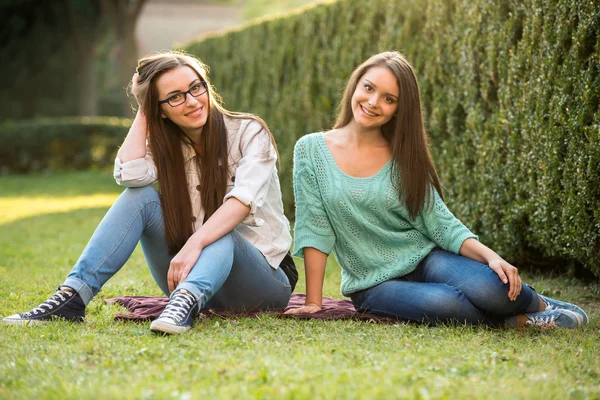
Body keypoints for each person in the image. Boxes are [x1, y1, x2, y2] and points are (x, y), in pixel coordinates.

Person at [286, 51, 588, 328]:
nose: (374, 102)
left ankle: (541, 304)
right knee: (445, 302)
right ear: (355, 86)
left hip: (426, 259)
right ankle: (520, 322)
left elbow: (440, 222)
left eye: (389, 99)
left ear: (398, 110)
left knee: (489, 287)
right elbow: (315, 227)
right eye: (368, 88)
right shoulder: (311, 150)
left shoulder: (403, 154)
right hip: (372, 285)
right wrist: (314, 301)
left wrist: (492, 257)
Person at [2, 51, 297, 335]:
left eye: (196, 88)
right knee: (139, 196)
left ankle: (184, 303)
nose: (192, 101)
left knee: (222, 232)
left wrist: (195, 243)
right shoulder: (166, 146)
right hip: (189, 275)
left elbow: (241, 202)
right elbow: (128, 174)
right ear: (161, 110)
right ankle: (72, 297)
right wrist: (144, 107)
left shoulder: (250, 132)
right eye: (175, 97)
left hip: (263, 284)